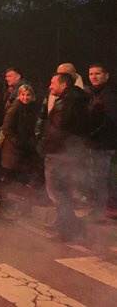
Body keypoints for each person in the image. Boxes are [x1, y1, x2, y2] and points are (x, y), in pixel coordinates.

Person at [41, 72, 90, 242]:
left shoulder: (66, 104)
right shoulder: (74, 101)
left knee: (57, 192)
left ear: (64, 85)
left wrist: (46, 145)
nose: (50, 86)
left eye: (53, 83)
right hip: (67, 153)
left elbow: (58, 131)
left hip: (59, 153)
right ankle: (66, 224)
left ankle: (67, 229)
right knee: (63, 192)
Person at [0, 84, 42, 215]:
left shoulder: (32, 109)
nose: (25, 97)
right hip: (13, 150)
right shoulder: (14, 109)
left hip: (24, 148)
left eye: (28, 95)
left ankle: (22, 206)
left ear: (33, 96)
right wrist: (19, 143)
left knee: (25, 177)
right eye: (23, 94)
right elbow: (7, 129)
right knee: (9, 178)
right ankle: (4, 206)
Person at [86, 63, 116, 221]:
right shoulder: (96, 93)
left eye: (98, 73)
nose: (94, 77)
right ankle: (108, 209)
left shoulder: (109, 94)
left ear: (107, 75)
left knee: (100, 179)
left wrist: (91, 134)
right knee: (101, 178)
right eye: (91, 74)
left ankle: (101, 212)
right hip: (97, 142)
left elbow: (109, 121)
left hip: (103, 143)